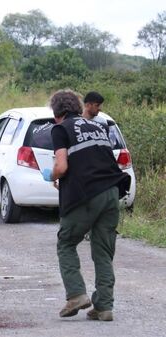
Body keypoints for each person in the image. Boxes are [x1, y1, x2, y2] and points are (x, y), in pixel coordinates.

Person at [41, 90, 130, 322]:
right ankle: (104, 306)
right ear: (78, 107)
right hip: (111, 192)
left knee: (67, 243)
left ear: (57, 113)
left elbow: (61, 167)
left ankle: (76, 295)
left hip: (87, 195)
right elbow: (96, 160)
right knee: (103, 251)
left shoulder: (60, 129)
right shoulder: (97, 127)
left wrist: (52, 176)